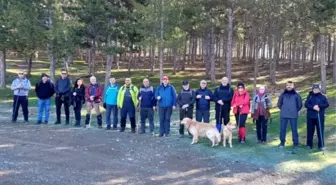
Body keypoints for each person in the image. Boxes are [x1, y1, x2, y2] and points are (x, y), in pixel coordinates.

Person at [277, 81, 302, 148]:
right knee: (282, 129)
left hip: (293, 115)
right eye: (287, 85)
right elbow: (279, 104)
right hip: (284, 115)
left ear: (293, 86)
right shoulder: (282, 95)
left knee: (294, 129)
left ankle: (295, 143)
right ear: (286, 86)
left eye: (290, 85)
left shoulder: (296, 95)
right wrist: (283, 109)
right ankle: (282, 142)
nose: (289, 86)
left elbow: (299, 105)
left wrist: (295, 110)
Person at [304, 84, 329, 151]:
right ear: (312, 89)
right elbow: (306, 104)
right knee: (310, 131)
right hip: (310, 116)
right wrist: (313, 107)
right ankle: (309, 145)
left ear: (319, 89)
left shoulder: (323, 96)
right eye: (314, 89)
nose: (315, 90)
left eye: (317, 89)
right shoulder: (310, 96)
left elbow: (327, 104)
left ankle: (321, 145)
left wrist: (319, 106)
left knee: (320, 130)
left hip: (319, 116)